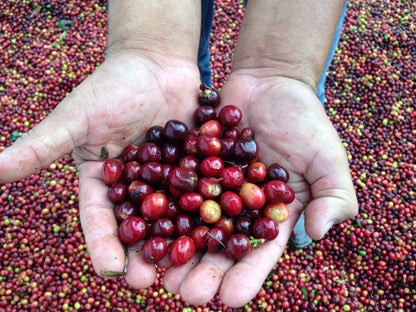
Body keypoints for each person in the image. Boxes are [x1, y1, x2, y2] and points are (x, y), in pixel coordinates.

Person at [0, 0, 358, 308]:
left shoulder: (220, 177)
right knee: (195, 84)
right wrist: (148, 47)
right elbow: (190, 179)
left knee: (284, 176)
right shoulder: (191, 179)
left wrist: (286, 72)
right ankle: (294, 224)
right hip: (203, 186)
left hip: (240, 161)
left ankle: (297, 226)